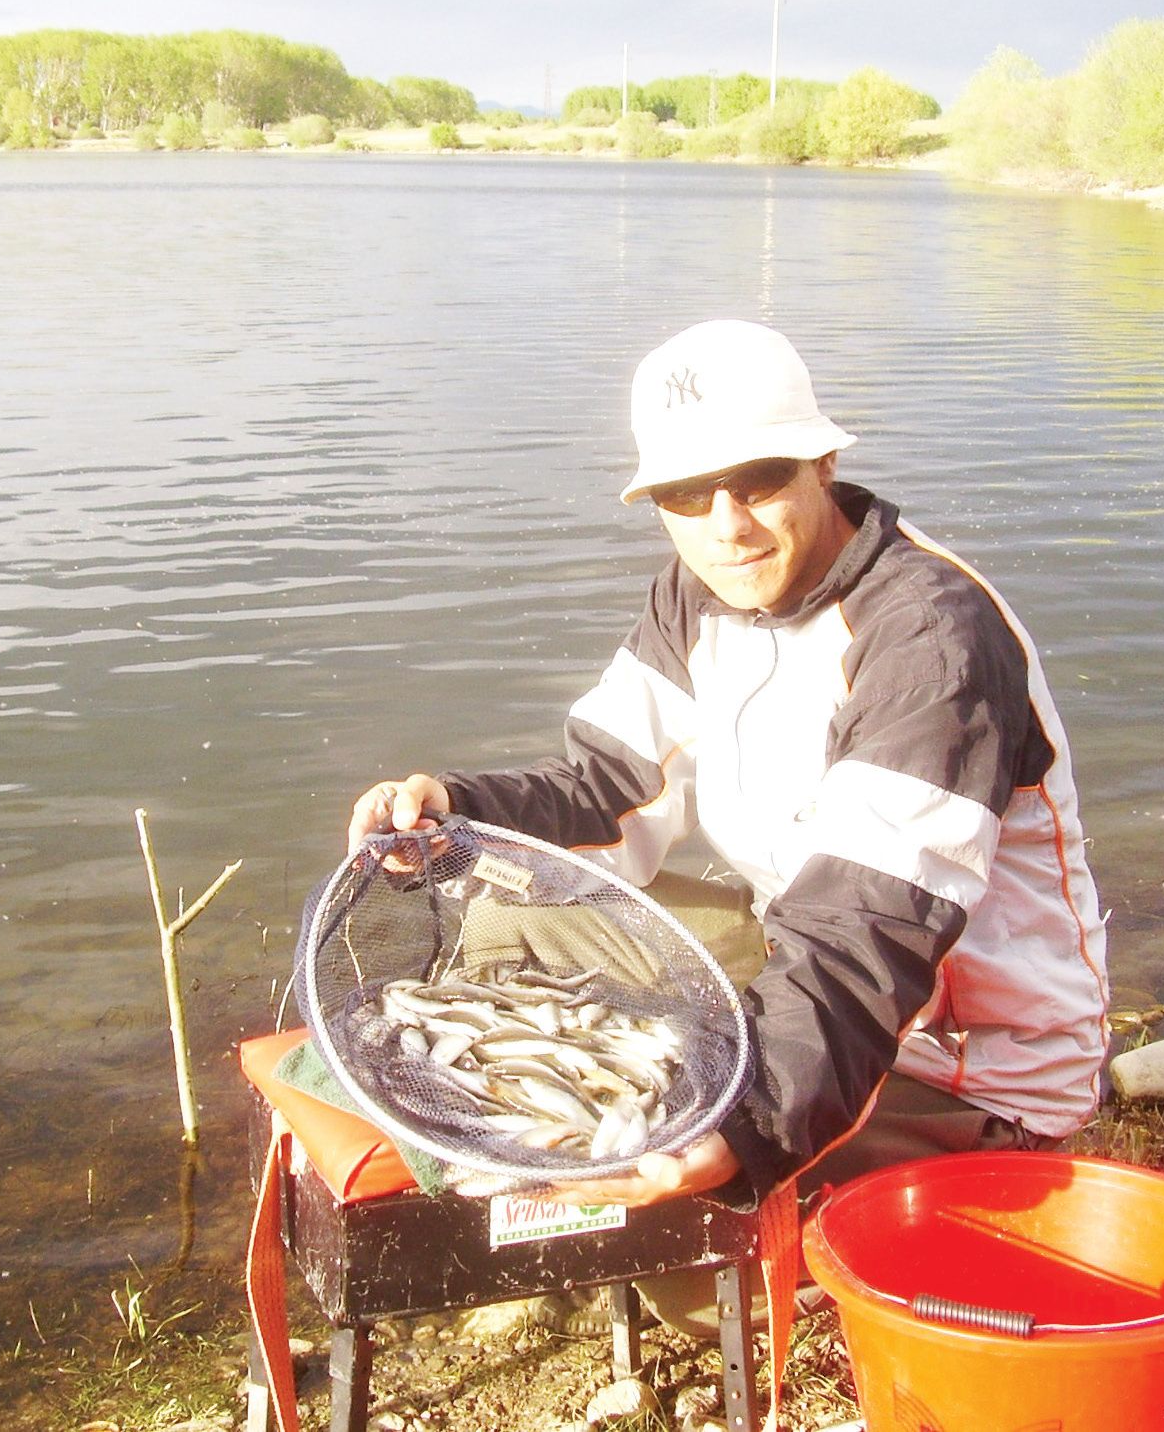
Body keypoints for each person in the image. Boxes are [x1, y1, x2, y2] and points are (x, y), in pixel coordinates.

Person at [346, 319, 1108, 1232]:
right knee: (505, 906)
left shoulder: (928, 638)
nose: (726, 529)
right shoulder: (697, 594)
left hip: (953, 1061)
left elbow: (870, 925)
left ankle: (842, 1189)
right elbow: (606, 789)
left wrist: (746, 1121)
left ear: (821, 464)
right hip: (799, 963)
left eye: (758, 482)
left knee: (680, 1201)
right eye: (684, 495)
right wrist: (455, 812)